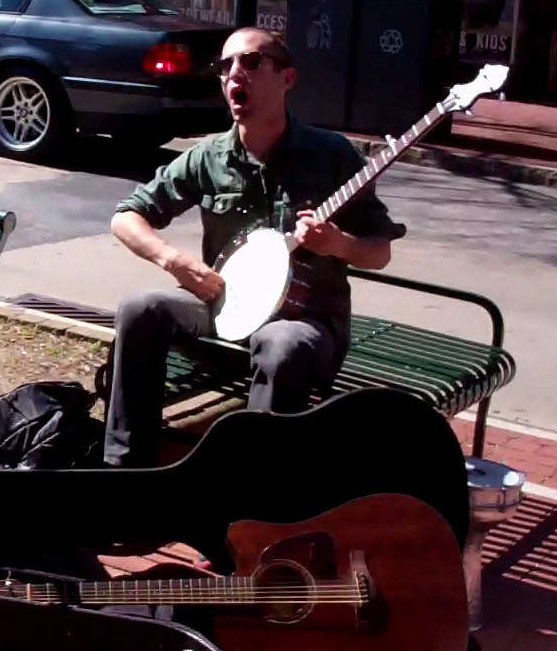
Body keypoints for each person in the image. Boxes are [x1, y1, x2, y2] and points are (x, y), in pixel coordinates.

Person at [103, 27, 406, 468]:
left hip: (306, 321)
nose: (233, 75)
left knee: (280, 346)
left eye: (250, 62)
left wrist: (338, 244)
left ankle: (248, 489)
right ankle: (125, 468)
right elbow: (125, 217)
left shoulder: (331, 155)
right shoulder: (209, 156)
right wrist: (174, 261)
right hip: (225, 307)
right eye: (225, 67)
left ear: (287, 78)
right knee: (139, 309)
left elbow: (379, 251)